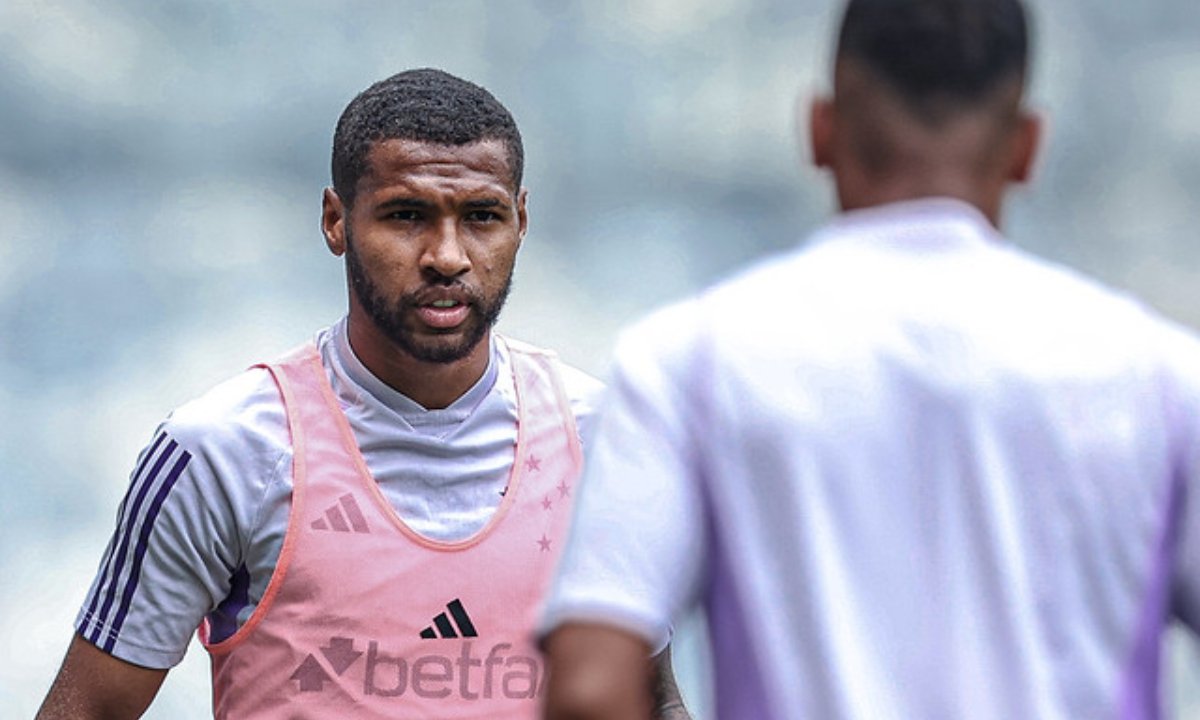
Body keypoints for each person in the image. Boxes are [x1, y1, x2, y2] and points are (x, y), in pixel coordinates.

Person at [540, 1, 1200, 718]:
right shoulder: (1159, 376)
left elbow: (591, 687)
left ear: (820, 129)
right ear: (1027, 146)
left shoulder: (691, 362)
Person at [37, 68, 687, 719]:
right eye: (407, 216)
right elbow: (88, 708)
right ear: (335, 221)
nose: (447, 255)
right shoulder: (224, 452)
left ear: (520, 221)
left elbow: (652, 701)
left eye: (482, 217)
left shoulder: (600, 437)